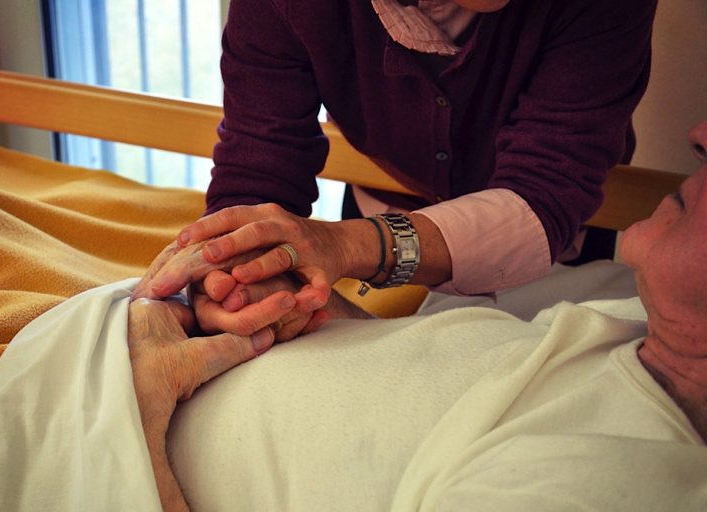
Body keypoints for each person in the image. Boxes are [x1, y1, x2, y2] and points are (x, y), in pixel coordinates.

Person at [129, 120, 707, 511]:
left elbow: (543, 194)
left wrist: (138, 439)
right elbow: (416, 368)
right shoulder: (622, 316)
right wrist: (294, 294)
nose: (699, 135)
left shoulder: (603, 478)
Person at [134, 0, 658, 335]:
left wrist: (344, 246)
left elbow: (545, 193)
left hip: (558, 255)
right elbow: (259, 166)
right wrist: (237, 274)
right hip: (373, 224)